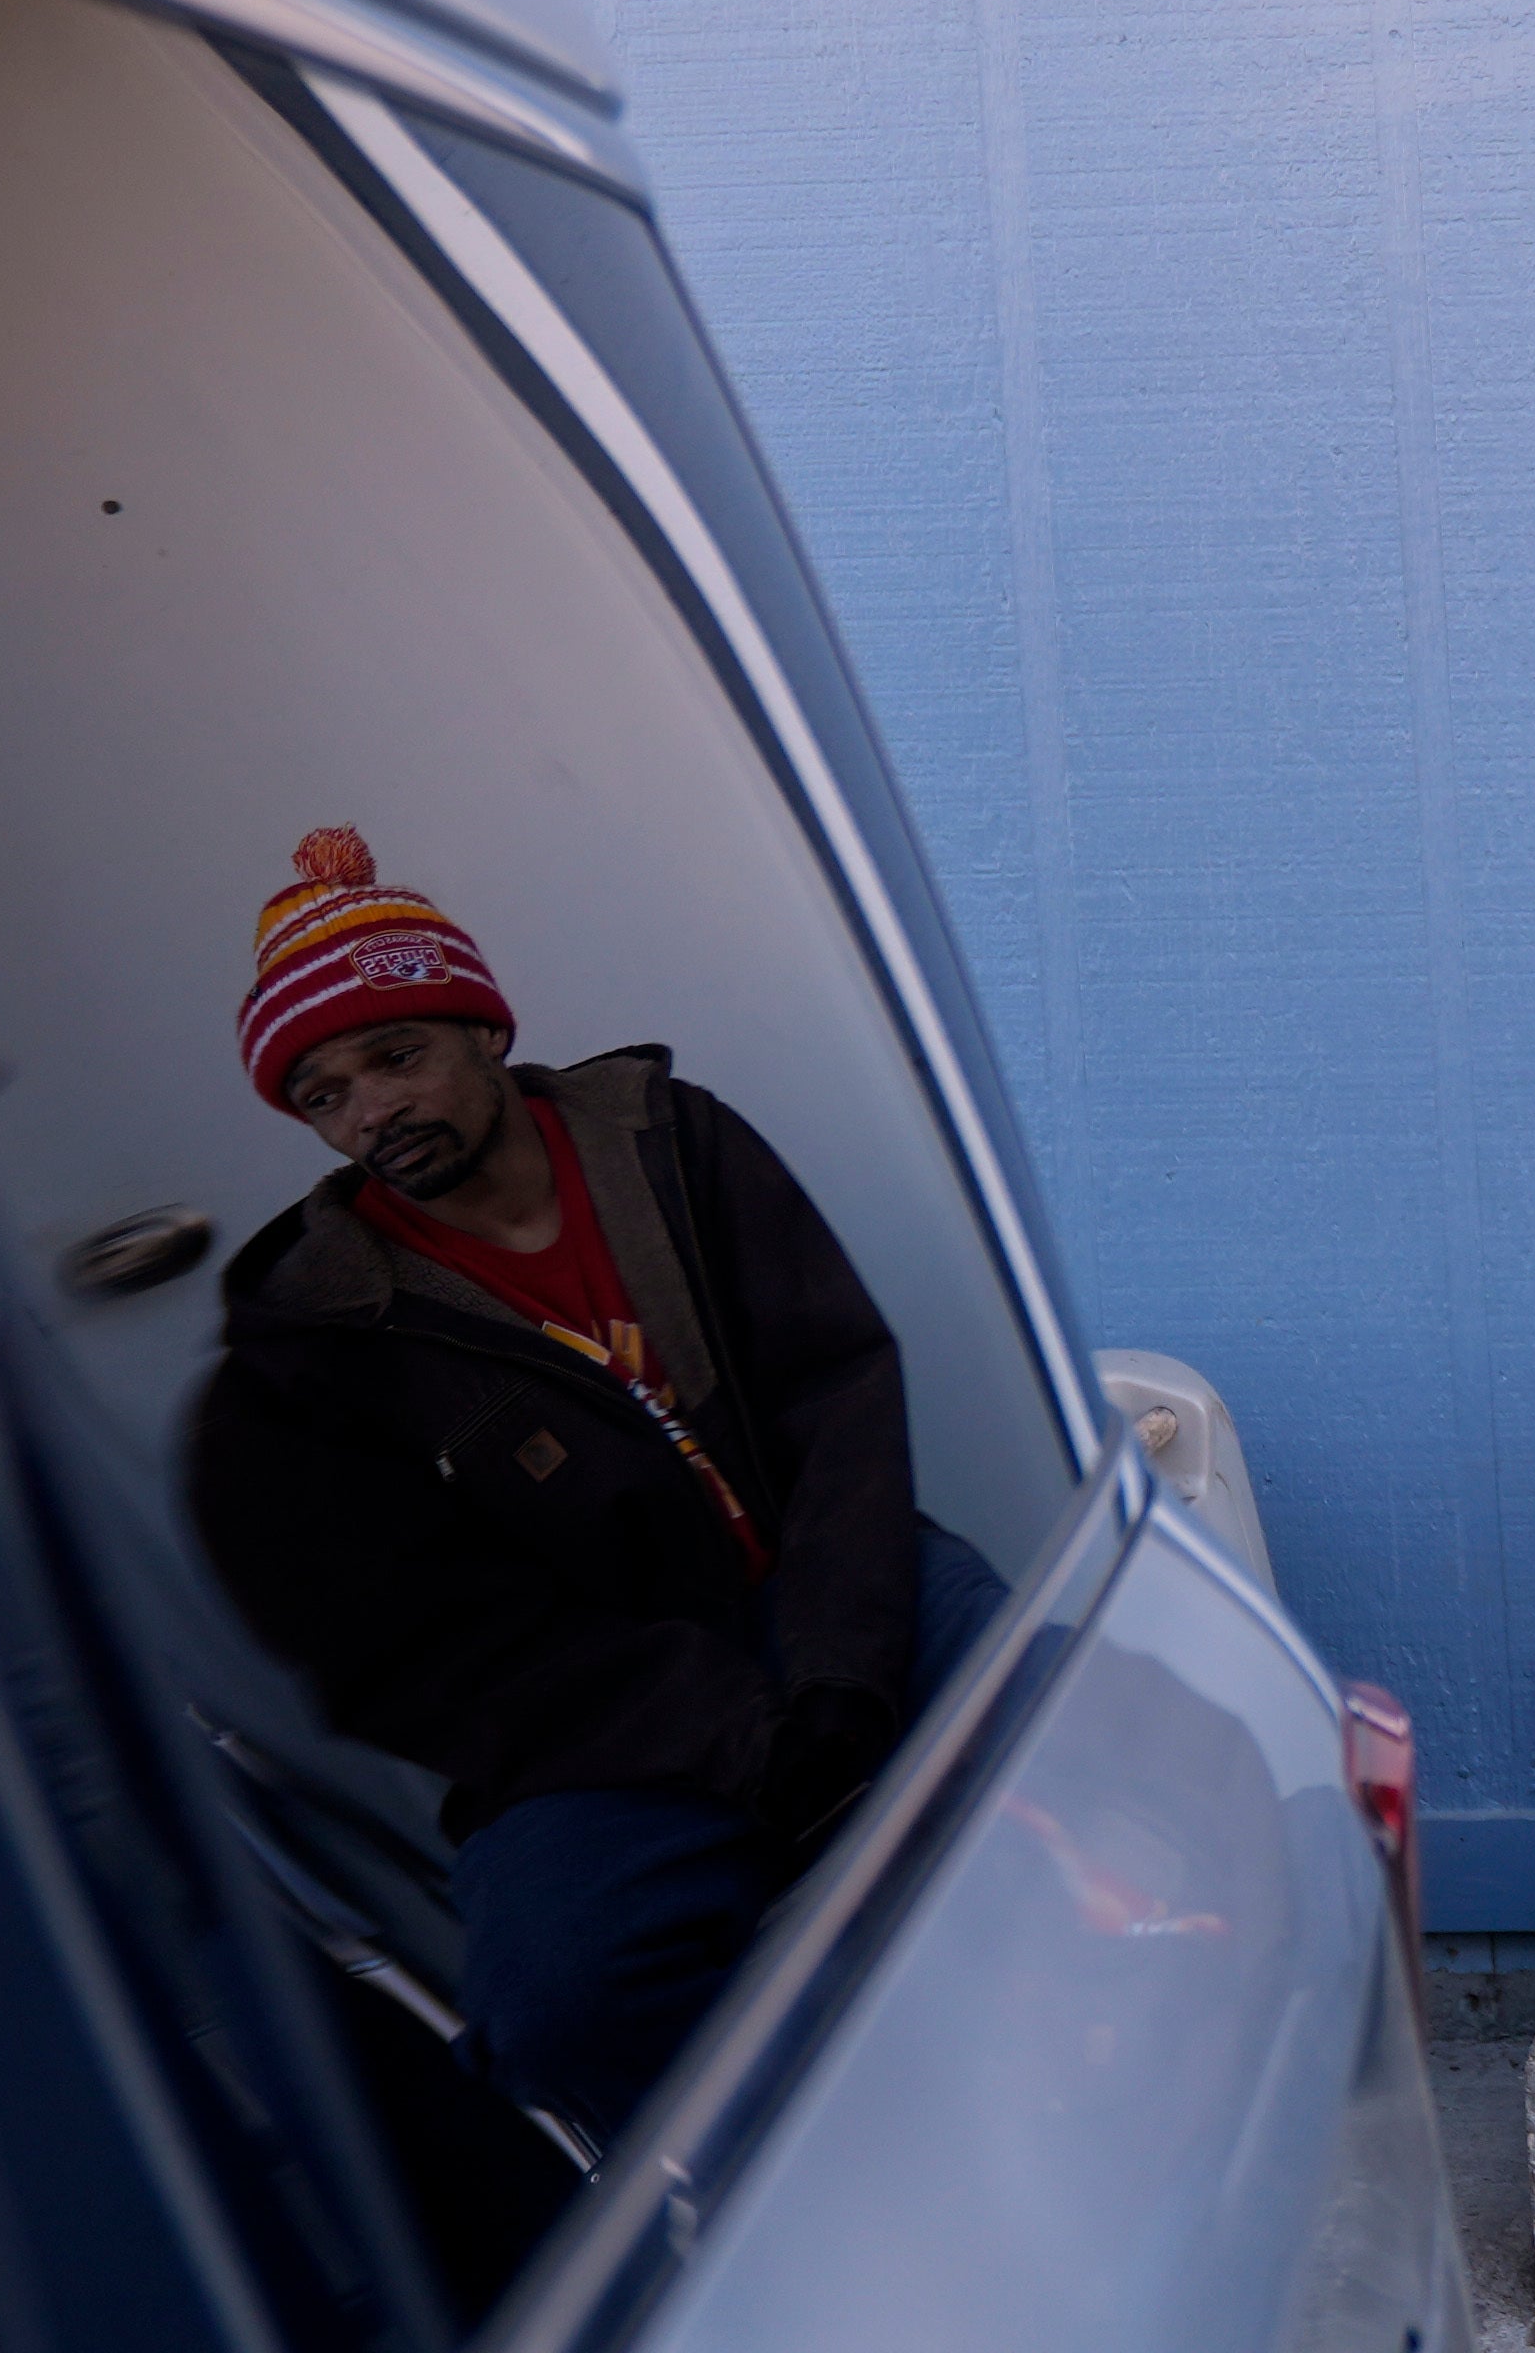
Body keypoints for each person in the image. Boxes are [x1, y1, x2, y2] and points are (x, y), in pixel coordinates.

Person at [186, 828, 993, 2136]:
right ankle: (816, 2188)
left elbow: (837, 1395)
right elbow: (432, 1659)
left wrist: (842, 1665)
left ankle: (1105, 2069)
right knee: (561, 2008)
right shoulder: (312, 1347)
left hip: (820, 1582)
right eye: (324, 1094)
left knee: (1070, 1724)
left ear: (484, 1033)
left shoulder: (671, 1148)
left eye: (398, 1054)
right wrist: (738, 1736)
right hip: (597, 1721)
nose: (373, 1109)